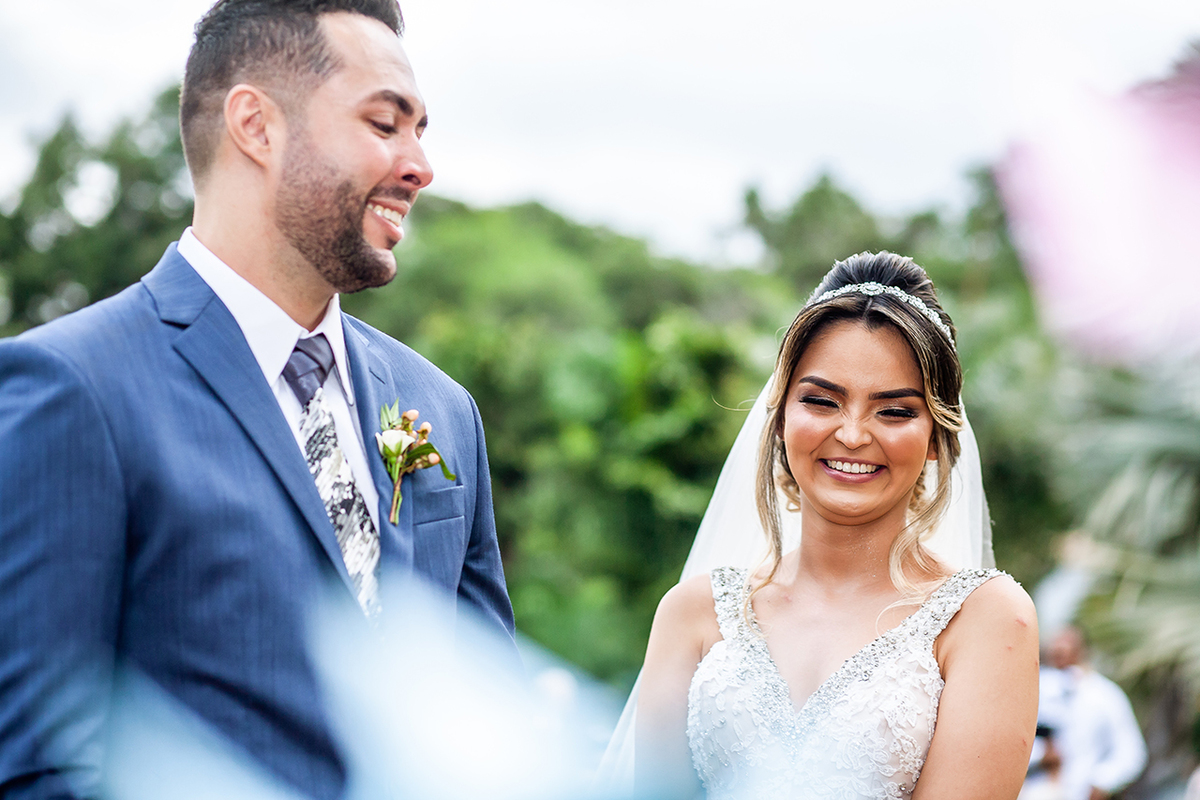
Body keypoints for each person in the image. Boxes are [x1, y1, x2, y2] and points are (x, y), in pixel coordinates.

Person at [0, 1, 514, 797]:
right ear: (257, 125)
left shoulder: (442, 409)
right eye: (386, 124)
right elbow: (40, 766)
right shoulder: (74, 389)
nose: (419, 165)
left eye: (421, 131)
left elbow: (489, 727)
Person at [628, 252, 1039, 799]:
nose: (851, 434)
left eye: (893, 411)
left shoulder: (983, 620)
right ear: (778, 418)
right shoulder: (692, 613)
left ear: (938, 437)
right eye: (822, 401)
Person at [1033, 627, 1146, 800]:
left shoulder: (1106, 695)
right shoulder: (1033, 690)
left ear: (1082, 650)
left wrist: (1101, 782)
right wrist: (1041, 755)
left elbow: (1131, 752)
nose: (1060, 650)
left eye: (1067, 645)